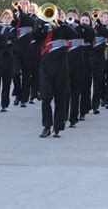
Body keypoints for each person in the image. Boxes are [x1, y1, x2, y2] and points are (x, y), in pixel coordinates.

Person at [30, 10, 77, 138]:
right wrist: (40, 24)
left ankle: (57, 127)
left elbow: (73, 33)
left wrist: (61, 23)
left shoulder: (62, 30)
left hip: (61, 67)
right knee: (45, 97)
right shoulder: (42, 30)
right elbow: (32, 36)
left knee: (60, 98)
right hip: (45, 67)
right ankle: (46, 126)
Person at [11, 0, 35, 107]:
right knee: (15, 73)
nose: (21, 5)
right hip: (16, 49)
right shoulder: (13, 14)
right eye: (20, 3)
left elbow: (31, 23)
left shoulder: (31, 16)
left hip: (28, 49)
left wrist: (21, 12)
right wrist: (16, 13)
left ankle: (24, 98)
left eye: (24, 4)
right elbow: (12, 24)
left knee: (26, 75)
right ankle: (17, 93)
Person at [78, 12, 95, 120]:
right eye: (82, 20)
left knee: (86, 85)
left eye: (86, 20)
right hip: (76, 58)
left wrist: (83, 25)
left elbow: (91, 34)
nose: (84, 22)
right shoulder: (76, 29)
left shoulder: (91, 30)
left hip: (87, 58)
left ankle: (83, 110)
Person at [0, 9, 16, 112]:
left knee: (6, 82)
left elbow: (11, 38)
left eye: (8, 18)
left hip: (8, 58)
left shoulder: (13, 29)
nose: (6, 20)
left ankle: (4, 104)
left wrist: (2, 36)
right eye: (5, 18)